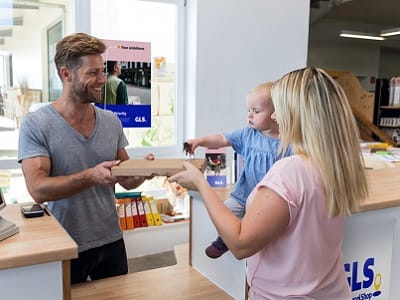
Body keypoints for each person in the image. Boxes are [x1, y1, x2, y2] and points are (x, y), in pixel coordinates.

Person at [170, 67, 369, 299]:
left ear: (299, 113)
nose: (274, 116)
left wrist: (200, 184)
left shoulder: (290, 171)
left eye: (280, 109)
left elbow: (241, 244)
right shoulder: (335, 164)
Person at [18, 32, 153, 284]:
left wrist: (143, 172)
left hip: (111, 240)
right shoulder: (37, 124)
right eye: (93, 73)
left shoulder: (111, 122)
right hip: (64, 244)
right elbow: (38, 189)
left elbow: (126, 180)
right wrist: (91, 175)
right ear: (66, 74)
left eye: (103, 71)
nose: (103, 79)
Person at [183, 82, 290, 259]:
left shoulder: (289, 141)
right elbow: (222, 138)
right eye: (248, 110)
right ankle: (224, 240)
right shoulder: (248, 135)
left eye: (256, 111)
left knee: (266, 226)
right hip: (244, 192)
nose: (250, 115)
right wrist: (200, 141)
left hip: (271, 199)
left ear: (276, 113)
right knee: (227, 211)